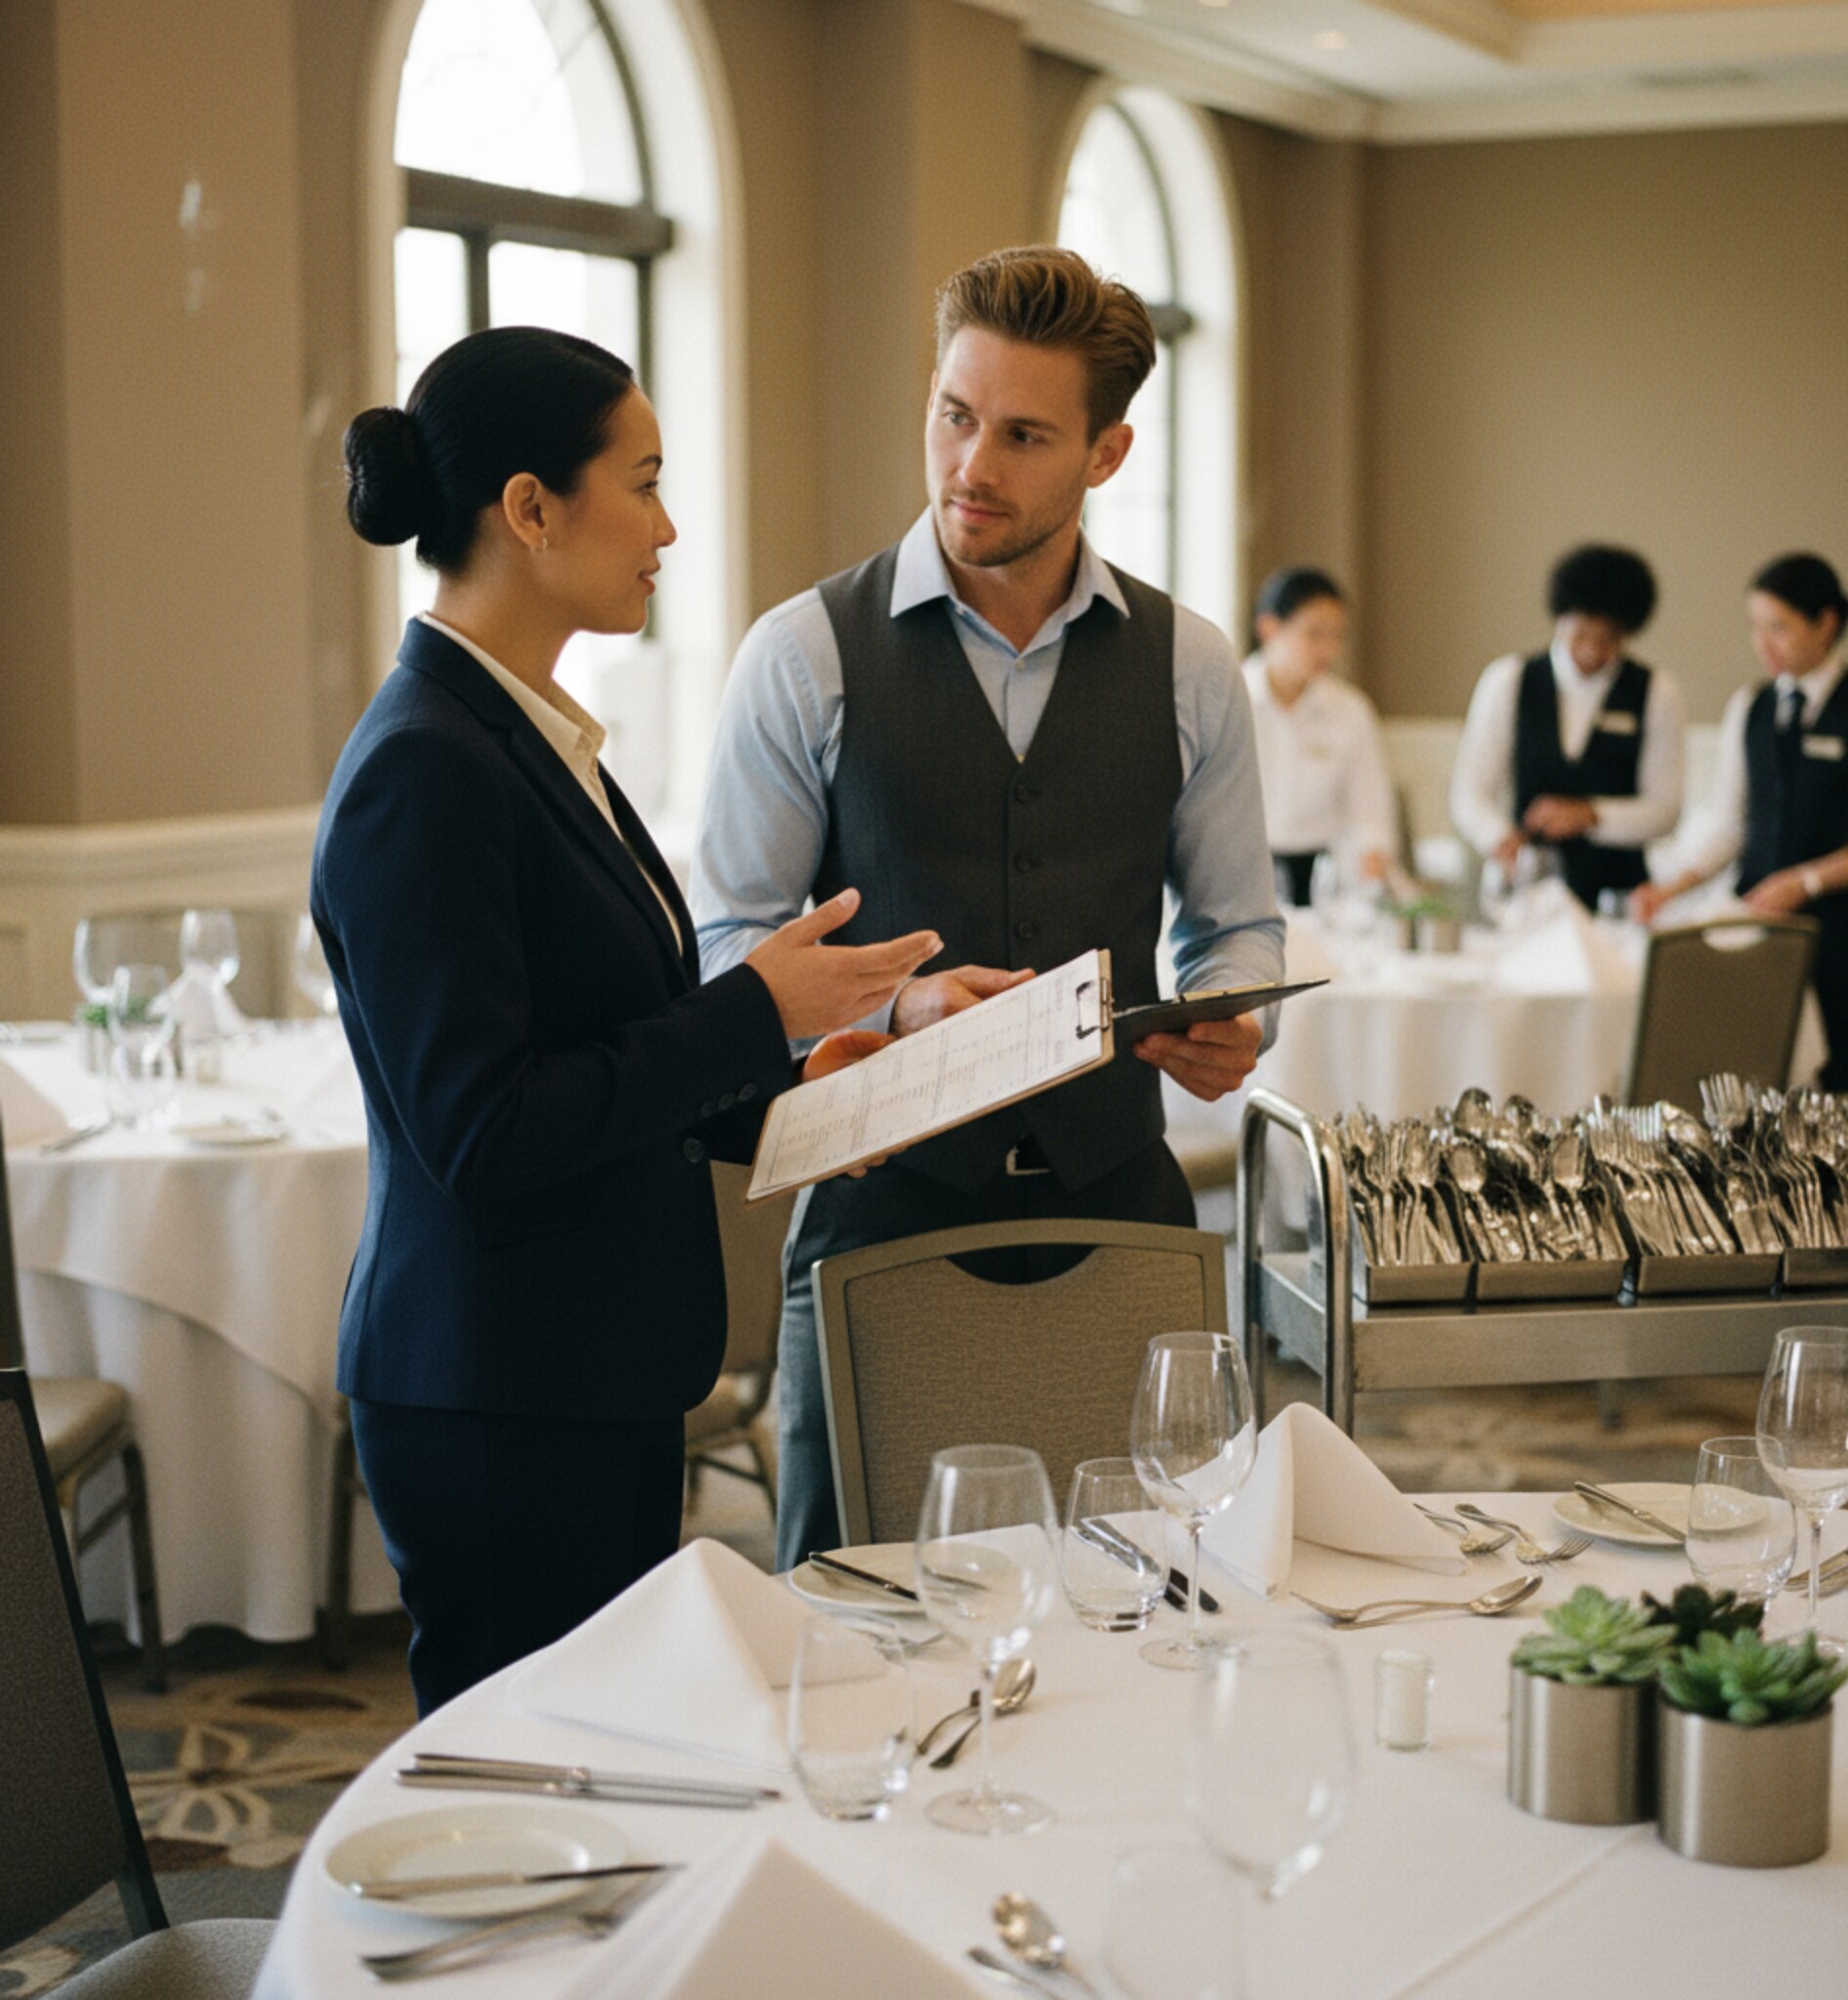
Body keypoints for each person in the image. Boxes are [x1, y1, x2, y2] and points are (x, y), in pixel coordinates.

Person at [315, 327, 940, 1712]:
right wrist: (751, 1008)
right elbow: (487, 1129)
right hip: (495, 1395)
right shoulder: (427, 770)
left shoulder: (532, 738)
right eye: (642, 483)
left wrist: (812, 1094)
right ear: (529, 510)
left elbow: (612, 1054)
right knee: (531, 1795)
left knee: (607, 1772)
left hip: (581, 1371)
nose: (668, 527)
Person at [692, 245, 1285, 1570]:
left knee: (1141, 1591)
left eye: (1023, 435)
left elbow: (1239, 923)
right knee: (849, 1608)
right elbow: (727, 943)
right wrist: (896, 1003)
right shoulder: (801, 655)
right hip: (881, 1209)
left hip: (1118, 1206)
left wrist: (1234, 1017)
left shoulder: (1191, 666)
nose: (974, 464)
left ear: (1108, 452)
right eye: (956, 416)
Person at [1633, 554, 1848, 1092]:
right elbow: (1730, 827)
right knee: (1750, 1080)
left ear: (1826, 623)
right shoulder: (1751, 706)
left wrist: (1802, 883)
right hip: (1755, 936)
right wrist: (1670, 889)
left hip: (1839, 940)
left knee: (1831, 1093)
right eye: (1756, 628)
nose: (1764, 644)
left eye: (1779, 628)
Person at [1449, 544, 1685, 910]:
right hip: (1530, 893)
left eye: (1607, 638)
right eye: (1580, 634)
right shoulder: (1509, 680)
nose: (1591, 650)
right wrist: (1498, 836)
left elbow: (1665, 811)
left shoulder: (1656, 692)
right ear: (1560, 619)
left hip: (1618, 896)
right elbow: (1471, 792)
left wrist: (1592, 815)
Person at [1242, 566, 1399, 905]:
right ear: (1270, 628)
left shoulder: (1350, 709)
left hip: (1326, 882)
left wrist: (1372, 864)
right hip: (1245, 876)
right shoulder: (1231, 700)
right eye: (1314, 634)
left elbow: (1370, 810)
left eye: (1336, 636)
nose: (1328, 650)